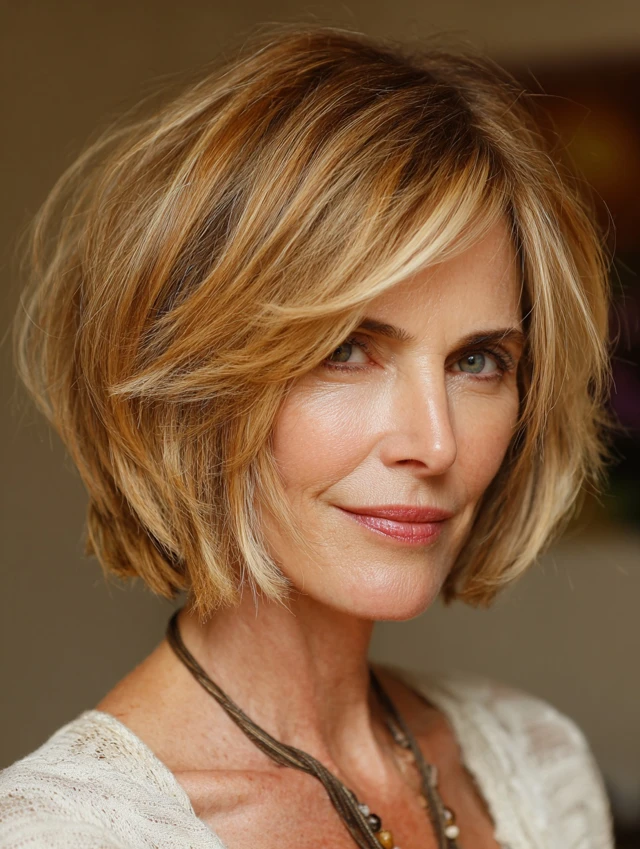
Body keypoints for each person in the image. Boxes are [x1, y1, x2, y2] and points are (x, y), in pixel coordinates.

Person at [0, 23, 615, 849]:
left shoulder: (538, 767)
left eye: (477, 361)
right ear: (194, 385)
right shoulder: (67, 834)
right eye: (347, 350)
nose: (435, 444)